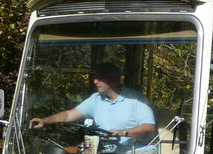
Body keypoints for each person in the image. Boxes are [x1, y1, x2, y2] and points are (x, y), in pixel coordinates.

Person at [29, 63, 157, 147]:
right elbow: (69, 115)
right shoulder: (96, 99)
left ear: (115, 79)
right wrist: (45, 120)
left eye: (100, 78)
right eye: (95, 77)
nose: (95, 81)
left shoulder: (136, 99)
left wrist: (122, 133)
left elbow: (149, 127)